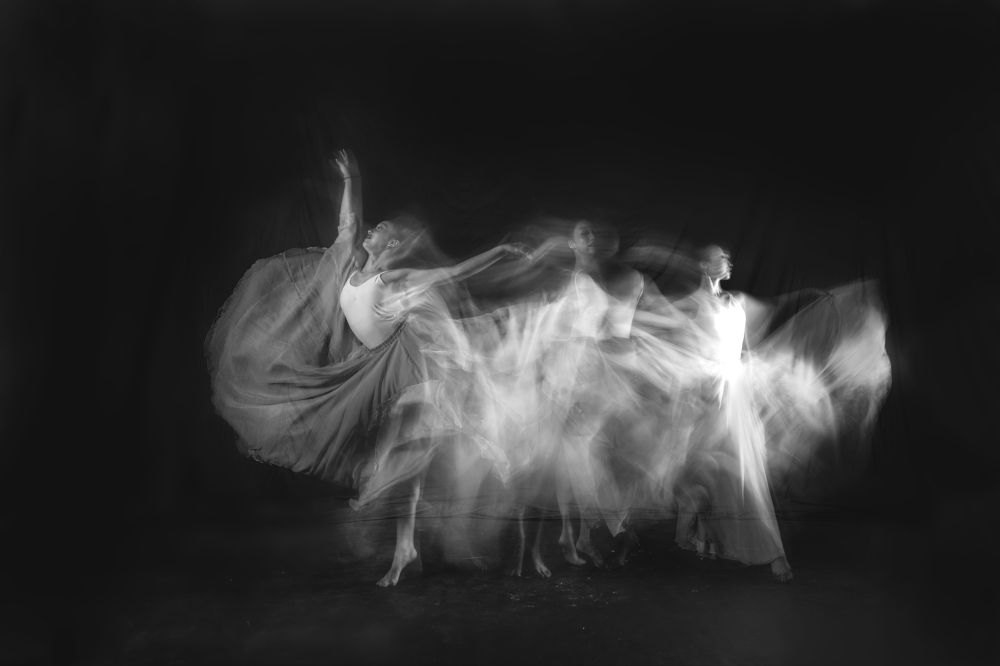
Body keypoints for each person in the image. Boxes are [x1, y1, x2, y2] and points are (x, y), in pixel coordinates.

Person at [206, 149, 528, 586]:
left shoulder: (394, 279)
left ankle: (491, 449)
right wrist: (351, 178)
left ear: (391, 245)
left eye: (381, 230)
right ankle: (407, 546)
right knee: (406, 455)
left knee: (408, 447)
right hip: (374, 368)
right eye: (373, 228)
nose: (371, 230)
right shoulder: (353, 266)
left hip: (410, 362)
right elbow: (349, 224)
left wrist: (500, 250)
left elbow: (453, 274)